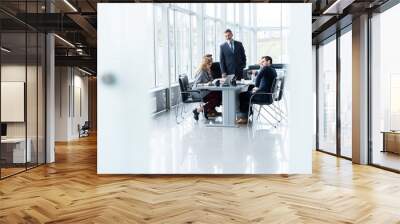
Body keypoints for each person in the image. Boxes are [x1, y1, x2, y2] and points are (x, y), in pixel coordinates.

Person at [237, 56, 277, 124]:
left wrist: (256, 87)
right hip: (268, 96)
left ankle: (244, 117)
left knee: (242, 95)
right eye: (261, 62)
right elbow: (260, 75)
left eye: (263, 61)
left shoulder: (266, 68)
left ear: (269, 62)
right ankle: (248, 113)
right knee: (249, 90)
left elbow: (258, 77)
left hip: (263, 96)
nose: (261, 63)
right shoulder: (273, 70)